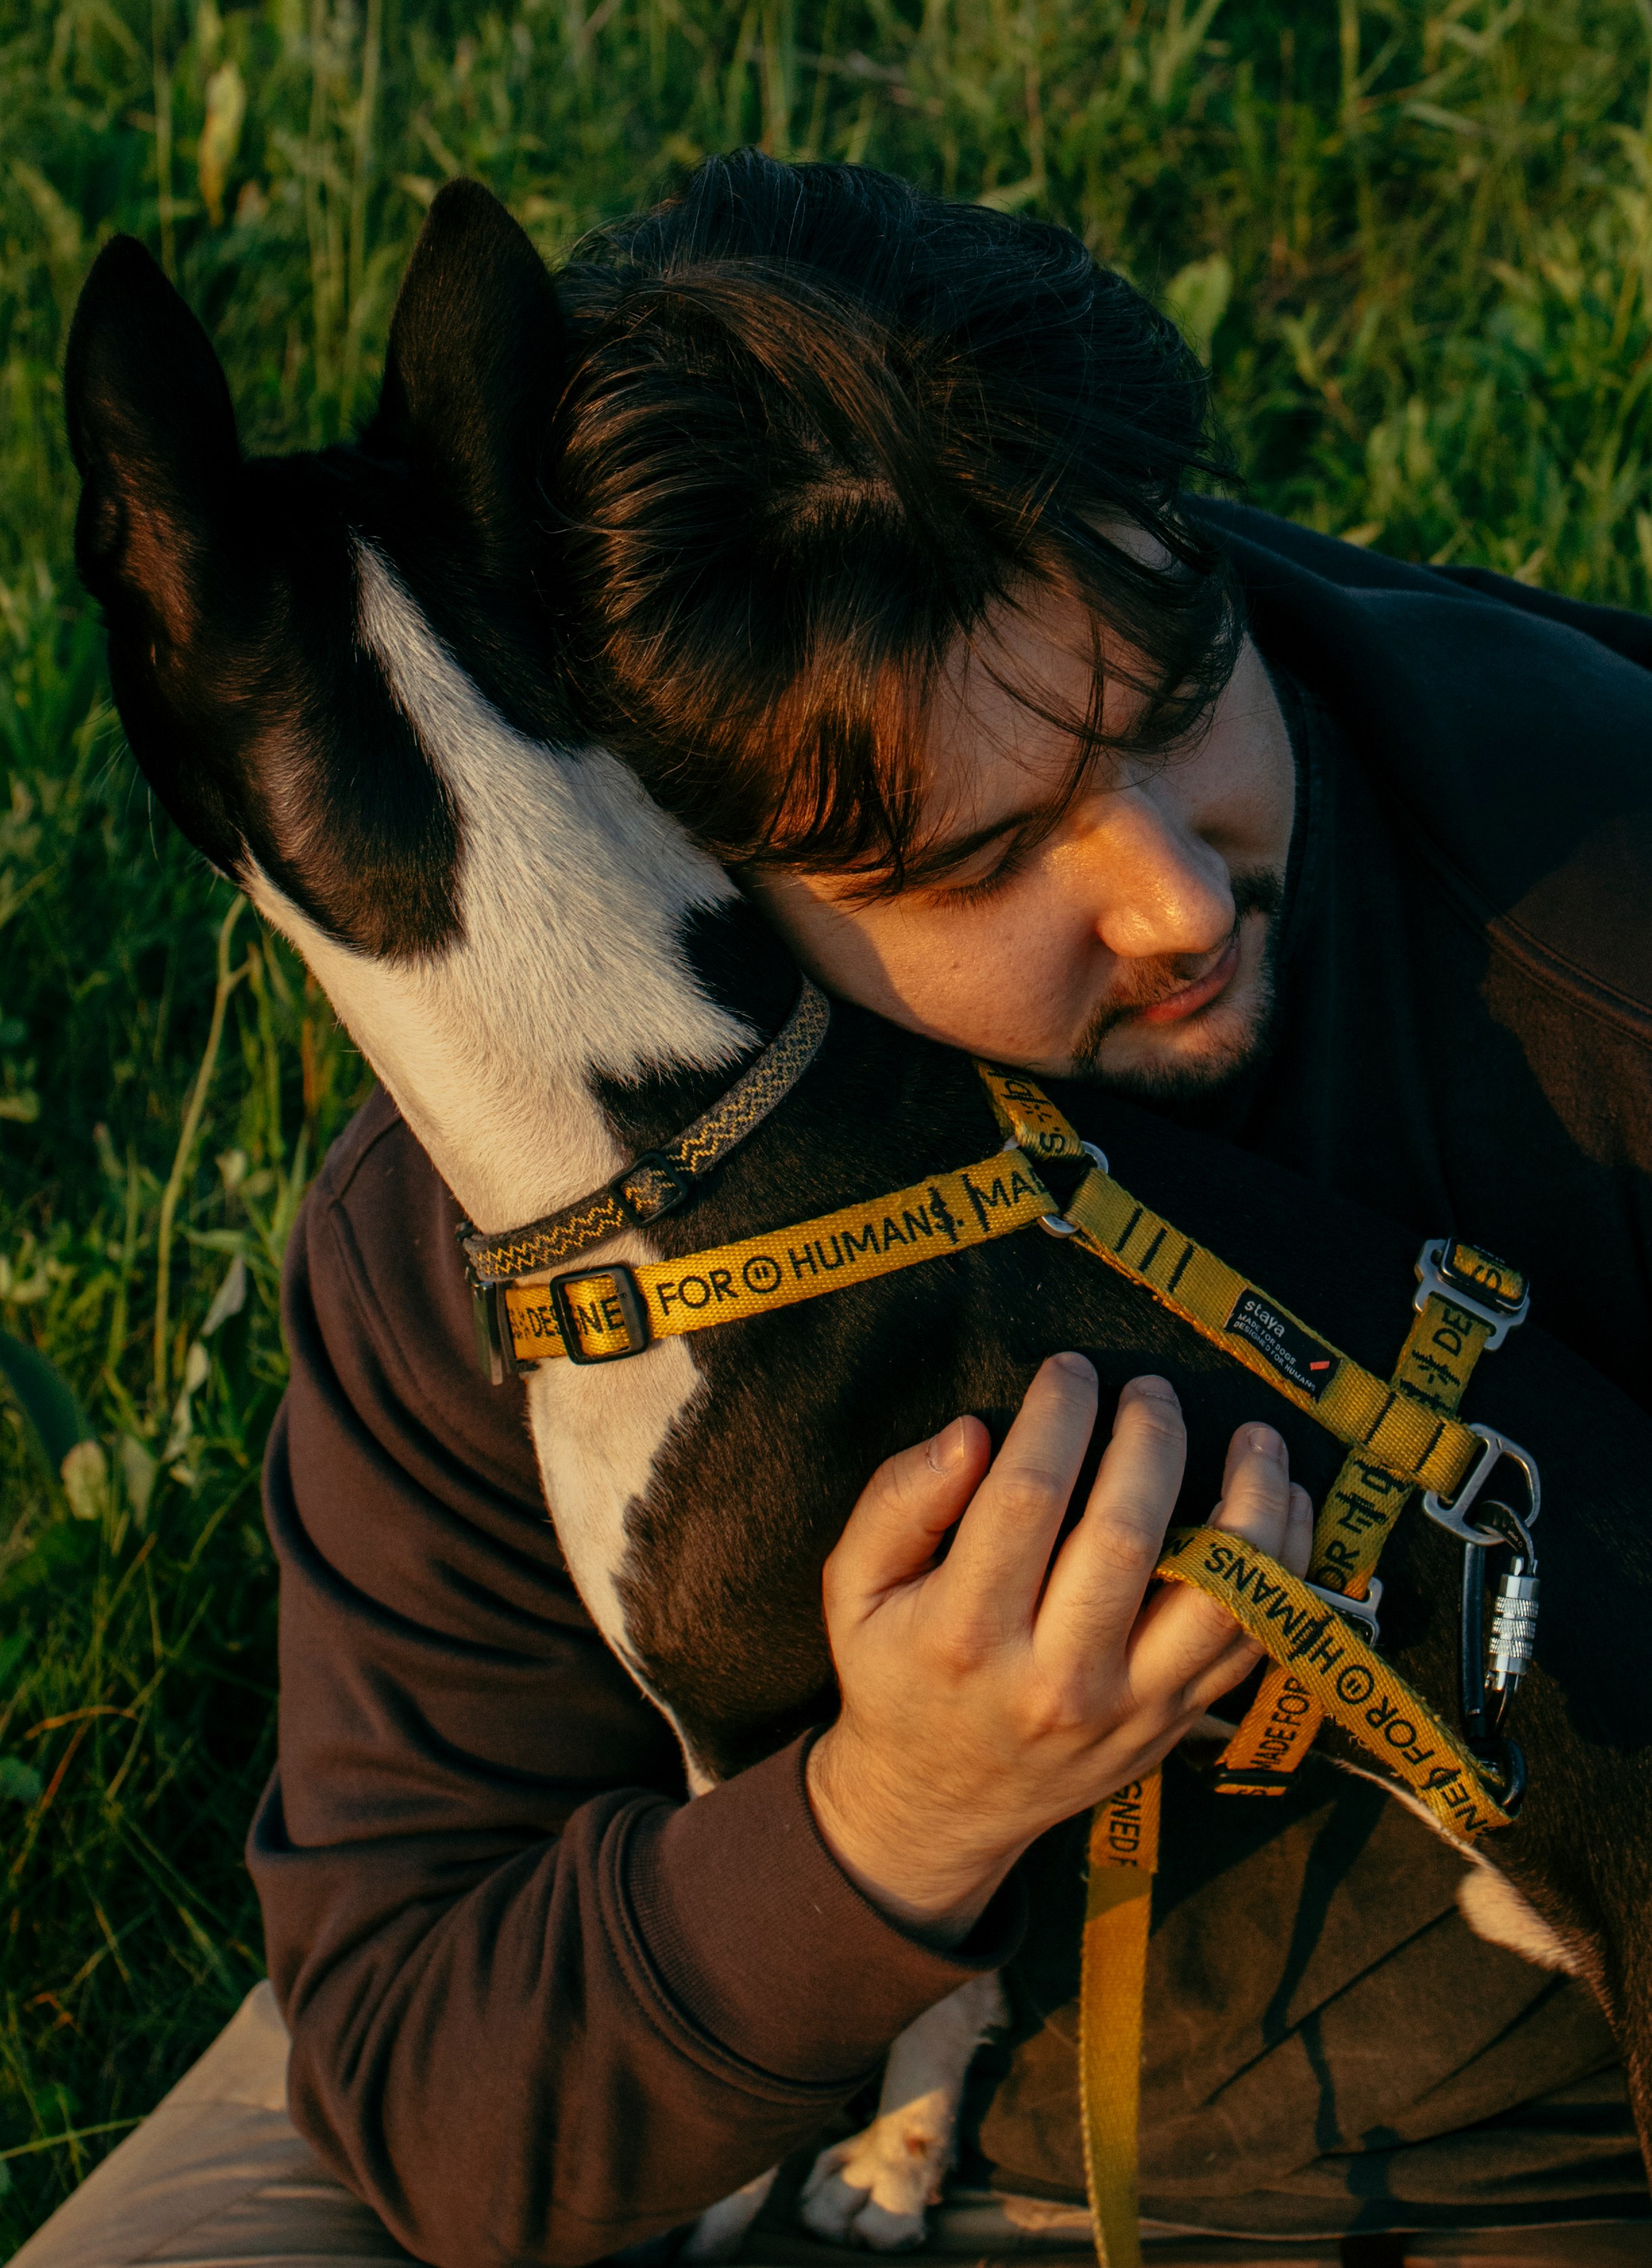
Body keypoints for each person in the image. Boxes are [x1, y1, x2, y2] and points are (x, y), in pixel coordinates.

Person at [19, 155, 1652, 2268]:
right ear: (696, 857)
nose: (1173, 895)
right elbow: (430, 2072)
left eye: (1174, 715)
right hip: (687, 2059)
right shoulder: (491, 1224)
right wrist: (890, 1824)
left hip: (1457, 2168)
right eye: (981, 865)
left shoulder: (1592, 916)